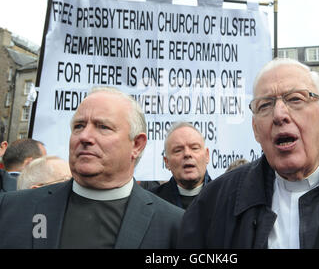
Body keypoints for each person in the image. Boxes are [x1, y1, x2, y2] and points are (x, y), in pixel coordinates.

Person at [177, 58, 319, 249]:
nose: (279, 115)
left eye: (295, 99)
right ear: (256, 129)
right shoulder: (213, 203)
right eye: (265, 105)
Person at [0, 86, 184, 249]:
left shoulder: (174, 226)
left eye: (103, 127)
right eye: (79, 126)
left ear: (137, 144)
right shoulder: (10, 209)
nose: (85, 136)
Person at [150, 122, 211, 209]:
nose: (187, 154)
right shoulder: (151, 202)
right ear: (166, 162)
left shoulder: (225, 198)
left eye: (194, 148)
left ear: (207, 155)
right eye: (178, 150)